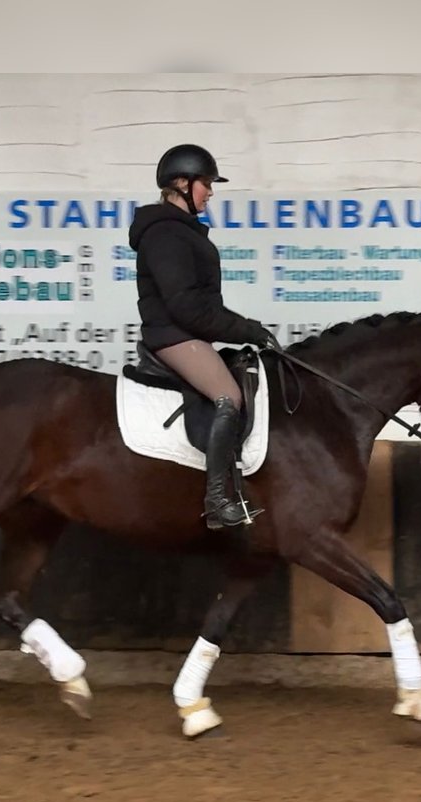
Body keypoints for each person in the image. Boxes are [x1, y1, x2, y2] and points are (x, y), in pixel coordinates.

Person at [127, 143, 280, 530]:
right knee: (228, 397)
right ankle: (217, 501)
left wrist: (245, 328)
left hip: (185, 331)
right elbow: (186, 306)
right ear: (181, 183)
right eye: (206, 183)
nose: (210, 192)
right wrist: (246, 329)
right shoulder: (164, 233)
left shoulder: (181, 231)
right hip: (174, 334)